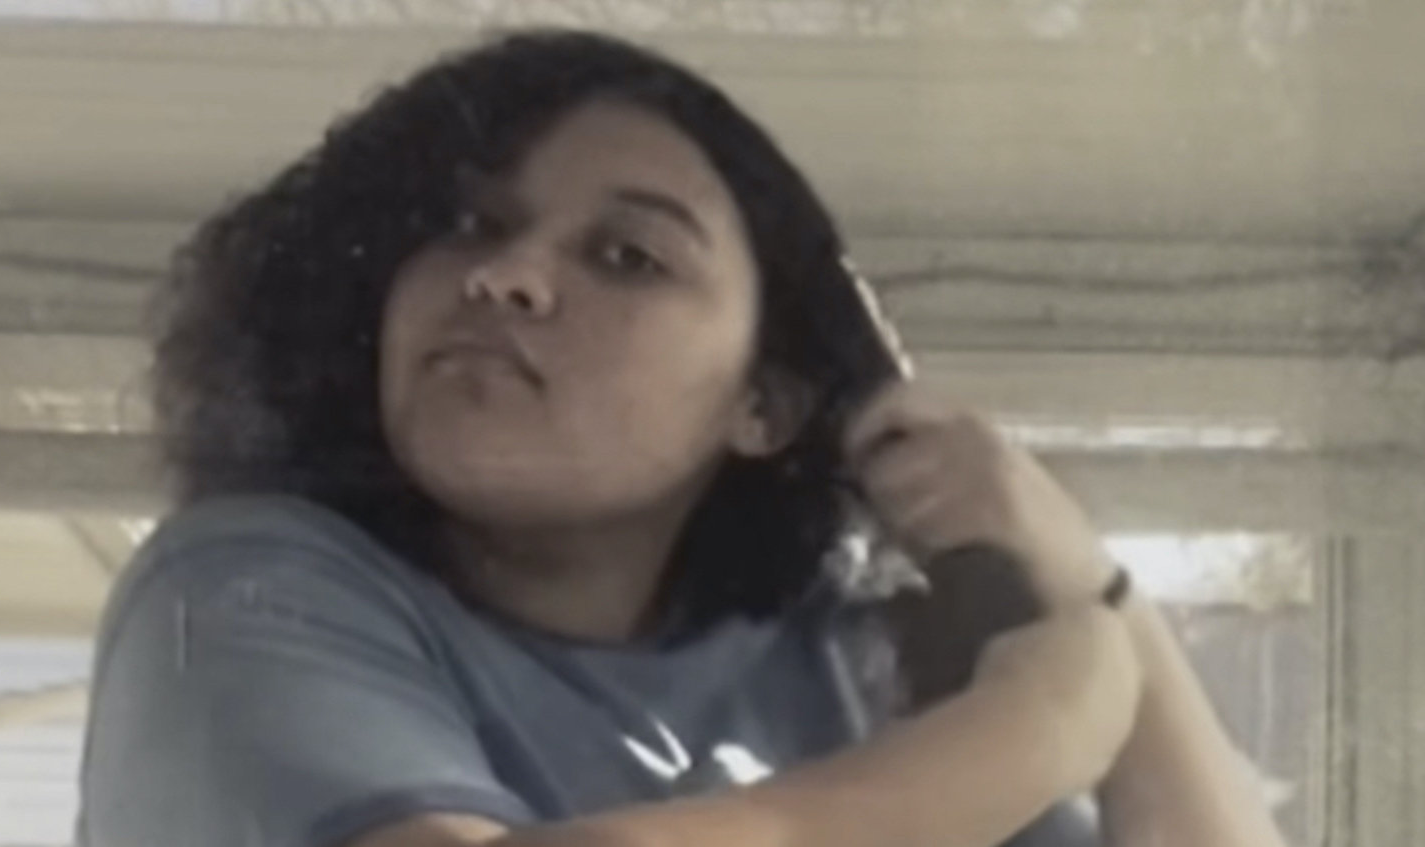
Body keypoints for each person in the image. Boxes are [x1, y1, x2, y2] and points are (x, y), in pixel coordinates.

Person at [77, 28, 1287, 847]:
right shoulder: (243, 589)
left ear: (768, 403)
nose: (503, 274)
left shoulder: (831, 667)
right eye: (465, 223)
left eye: (627, 255)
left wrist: (1087, 576)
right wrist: (1024, 740)